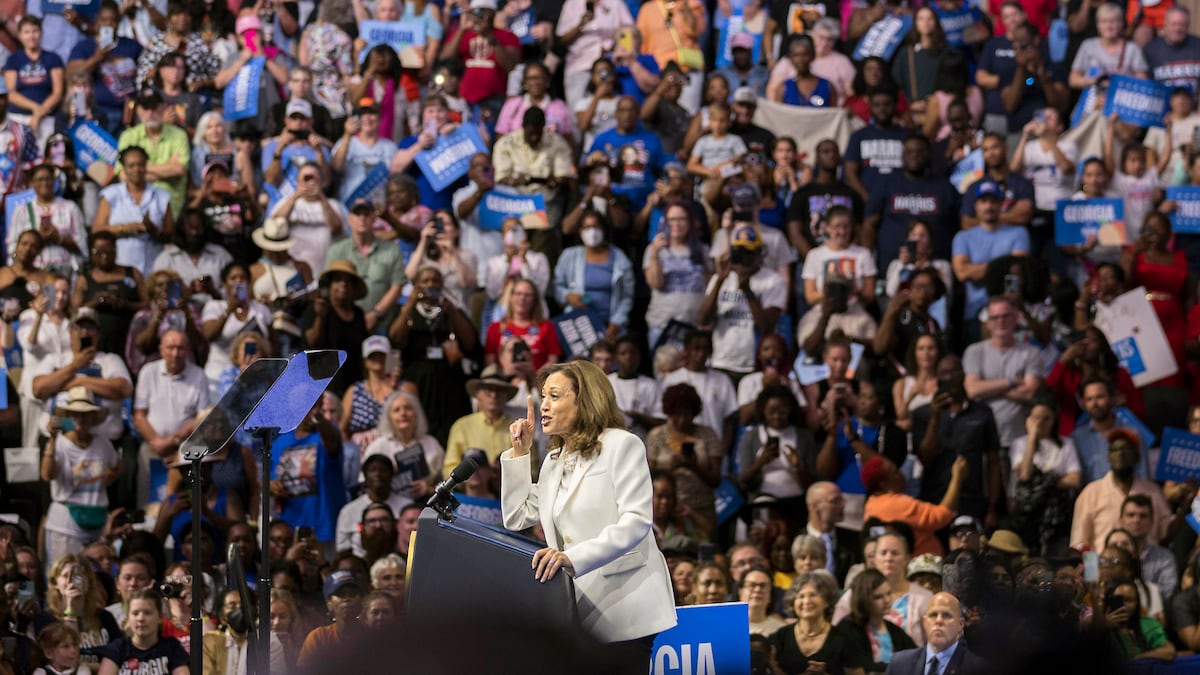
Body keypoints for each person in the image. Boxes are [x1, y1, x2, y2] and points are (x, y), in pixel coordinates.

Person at [501, 360, 677, 668]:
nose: (544, 406)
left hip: (625, 606)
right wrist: (520, 452)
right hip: (577, 612)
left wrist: (573, 557)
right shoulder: (554, 460)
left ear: (584, 399)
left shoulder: (622, 445)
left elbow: (636, 520)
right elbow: (516, 517)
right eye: (543, 396)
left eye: (554, 396)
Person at [1070, 429, 1170, 553]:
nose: (1120, 454)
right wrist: (1092, 571)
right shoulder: (1091, 493)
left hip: (1147, 568)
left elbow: (1165, 535)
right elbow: (1080, 543)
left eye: (1126, 449)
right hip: (1104, 569)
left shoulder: (1153, 492)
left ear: (1136, 457)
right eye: (1115, 450)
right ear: (1108, 457)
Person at [769, 571, 855, 672]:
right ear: (793, 603)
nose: (807, 601)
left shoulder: (845, 639)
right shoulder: (780, 637)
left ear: (826, 601)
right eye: (801, 596)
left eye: (813, 595)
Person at [886, 592, 991, 674]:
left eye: (946, 615)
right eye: (933, 615)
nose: (939, 621)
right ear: (925, 622)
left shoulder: (978, 669)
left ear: (960, 625)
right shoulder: (899, 664)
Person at [841, 569, 918, 672]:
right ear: (863, 599)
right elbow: (859, 667)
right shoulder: (848, 627)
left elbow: (916, 659)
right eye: (878, 597)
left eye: (888, 593)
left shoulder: (895, 631)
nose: (887, 600)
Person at [95, 590, 187, 675]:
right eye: (135, 613)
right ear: (128, 618)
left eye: (147, 613)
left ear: (160, 617)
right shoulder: (117, 648)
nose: (141, 618)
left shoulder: (172, 647)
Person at [1102, 577, 1176, 662]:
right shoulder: (1099, 626)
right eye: (1119, 599)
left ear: (1137, 603)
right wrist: (1103, 627)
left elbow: (1169, 651)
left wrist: (1139, 658)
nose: (1124, 605)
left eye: (1129, 600)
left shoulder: (1147, 624)